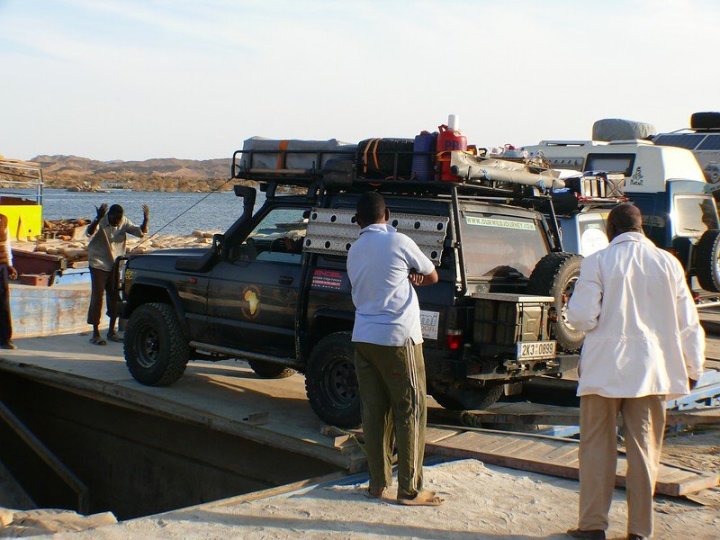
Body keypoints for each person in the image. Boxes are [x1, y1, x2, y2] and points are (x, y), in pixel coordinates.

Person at [565, 203, 705, 540]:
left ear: (611, 229)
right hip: (652, 372)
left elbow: (582, 318)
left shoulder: (597, 261)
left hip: (603, 371)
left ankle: (593, 527)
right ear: (642, 228)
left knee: (596, 450)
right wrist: (693, 366)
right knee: (644, 452)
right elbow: (688, 322)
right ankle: (640, 531)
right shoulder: (668, 263)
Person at [346, 191, 442, 506]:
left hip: (363, 338)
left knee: (374, 412)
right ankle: (410, 491)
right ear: (387, 215)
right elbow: (432, 274)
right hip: (398, 339)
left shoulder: (354, 250)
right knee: (410, 409)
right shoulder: (399, 241)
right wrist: (415, 278)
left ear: (357, 221)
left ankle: (377, 484)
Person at [86, 203, 149, 345]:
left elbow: (140, 233)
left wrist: (145, 220)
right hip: (98, 263)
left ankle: (111, 331)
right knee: (97, 296)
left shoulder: (123, 221)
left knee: (115, 297)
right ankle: (95, 333)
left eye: (119, 220)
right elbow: (89, 232)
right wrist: (97, 218)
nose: (117, 222)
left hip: (115, 263)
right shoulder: (101, 220)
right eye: (115, 219)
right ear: (109, 215)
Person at [0, 214, 18, 349]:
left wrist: (10, 265)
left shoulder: (3, 220)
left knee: (3, 303)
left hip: (1, 266)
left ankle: (5, 338)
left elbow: (6, 244)